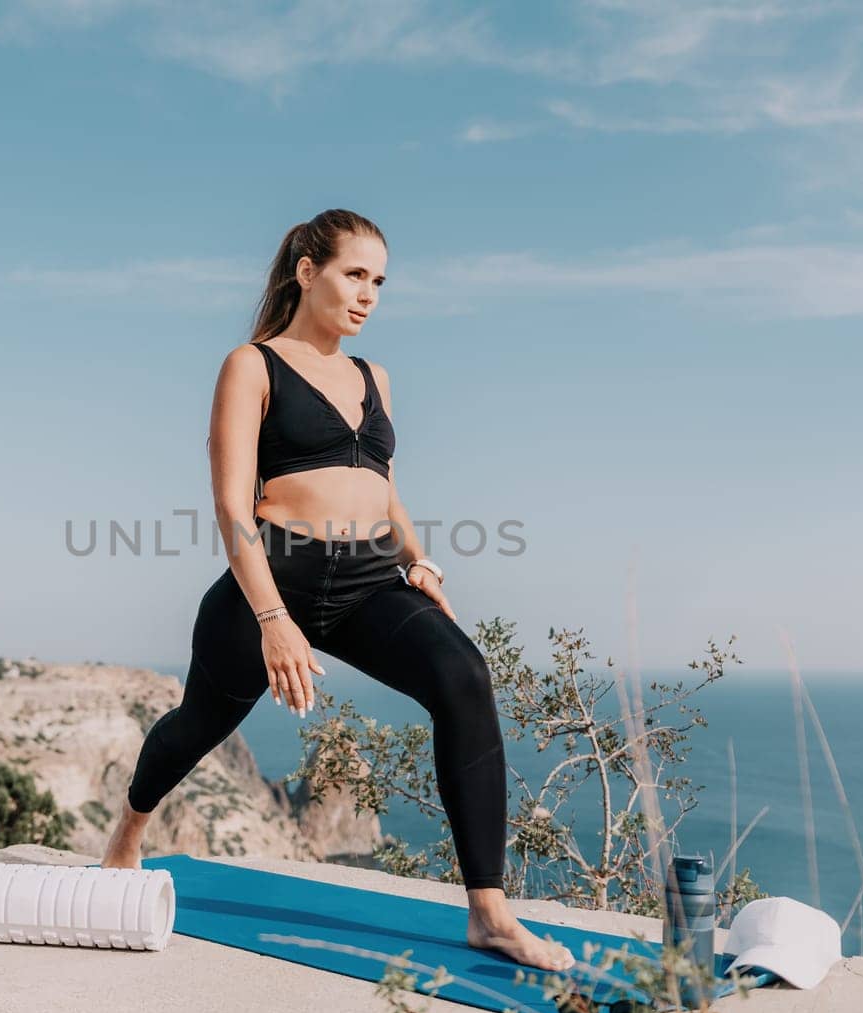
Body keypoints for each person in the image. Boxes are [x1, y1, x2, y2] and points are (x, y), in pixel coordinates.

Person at [101, 209, 573, 971]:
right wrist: (273, 620)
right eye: (356, 274)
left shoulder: (372, 377)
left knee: (465, 678)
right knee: (197, 724)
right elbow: (230, 505)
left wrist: (420, 559)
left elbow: (384, 489)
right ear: (306, 270)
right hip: (274, 574)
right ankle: (127, 831)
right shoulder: (251, 365)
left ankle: (489, 912)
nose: (369, 295)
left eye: (380, 282)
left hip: (367, 580)